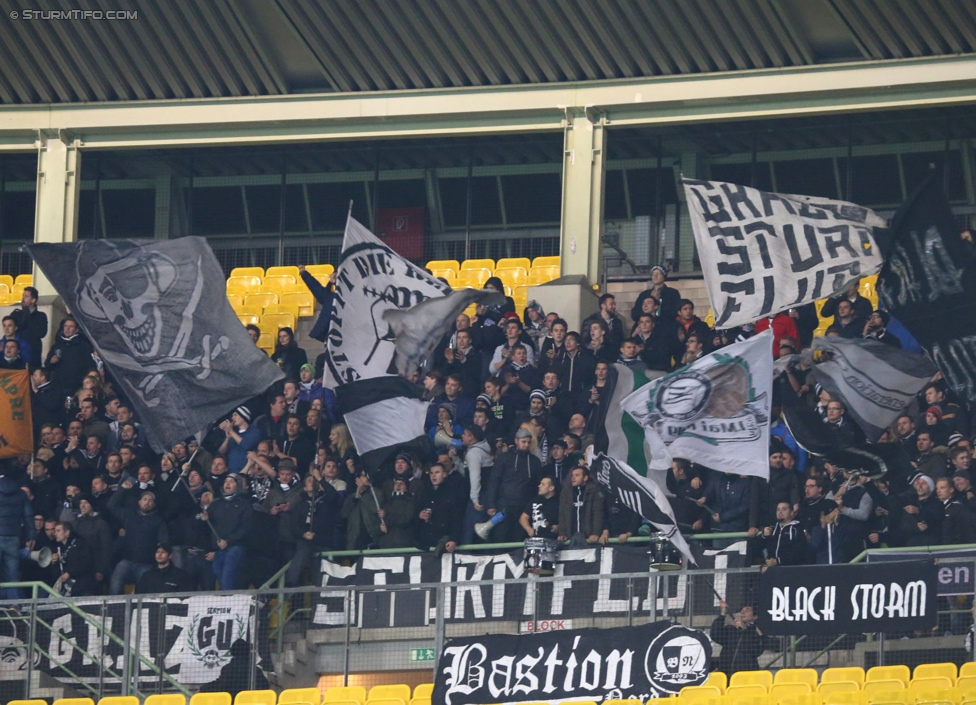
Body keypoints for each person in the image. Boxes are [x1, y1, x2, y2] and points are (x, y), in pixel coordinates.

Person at [486, 428, 543, 542]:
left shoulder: (535, 461)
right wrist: (491, 504)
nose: (526, 445)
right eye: (523, 442)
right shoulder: (504, 458)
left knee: (519, 537)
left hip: (524, 507)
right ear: (516, 440)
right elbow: (494, 481)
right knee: (501, 536)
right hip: (504, 505)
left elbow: (537, 485)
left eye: (528, 442)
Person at [208, 475, 254, 590]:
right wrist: (204, 516)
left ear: (237, 485)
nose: (227, 484)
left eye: (231, 482)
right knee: (217, 571)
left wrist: (228, 541)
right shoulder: (215, 504)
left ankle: (227, 601)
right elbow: (206, 523)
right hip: (219, 548)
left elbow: (245, 528)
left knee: (227, 574)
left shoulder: (244, 504)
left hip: (236, 546)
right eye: (226, 481)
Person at [710, 601, 778, 672]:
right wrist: (723, 613)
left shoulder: (756, 632)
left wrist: (744, 630)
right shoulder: (731, 629)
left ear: (755, 616)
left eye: (747, 610)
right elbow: (715, 635)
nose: (742, 612)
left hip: (747, 674)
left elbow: (758, 650)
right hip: (726, 672)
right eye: (742, 610)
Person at [0, 474, 33, 598]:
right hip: (13, 538)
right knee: (12, 575)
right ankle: (15, 604)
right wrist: (31, 536)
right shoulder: (21, 494)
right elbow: (28, 516)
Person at [44, 317, 95, 395]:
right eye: (65, 326)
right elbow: (47, 366)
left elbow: (90, 366)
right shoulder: (56, 346)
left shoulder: (84, 347)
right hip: (57, 388)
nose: (67, 329)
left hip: (76, 388)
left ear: (76, 330)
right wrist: (51, 362)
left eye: (71, 326)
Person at [557, 465, 604, 545]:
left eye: (577, 475)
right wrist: (562, 533)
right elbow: (562, 514)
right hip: (570, 538)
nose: (573, 478)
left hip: (589, 539)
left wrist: (596, 533)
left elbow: (598, 514)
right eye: (572, 475)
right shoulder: (566, 492)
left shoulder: (594, 491)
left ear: (585, 478)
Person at [53, 521, 100, 596]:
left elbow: (86, 563)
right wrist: (54, 562)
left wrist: (69, 573)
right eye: (55, 531)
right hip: (71, 588)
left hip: (84, 588)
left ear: (67, 533)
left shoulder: (80, 544)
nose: (55, 534)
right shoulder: (59, 549)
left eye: (58, 531)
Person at [11, 286, 48, 369]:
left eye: (26, 296)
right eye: (23, 295)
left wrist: (28, 316)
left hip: (33, 356)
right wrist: (24, 315)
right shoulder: (16, 314)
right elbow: (14, 329)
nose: (23, 299)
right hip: (17, 355)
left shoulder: (41, 316)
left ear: (33, 300)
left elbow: (41, 333)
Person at [762, 502, 806, 566]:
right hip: (773, 569)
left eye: (784, 509)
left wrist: (778, 561)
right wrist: (764, 535)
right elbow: (758, 546)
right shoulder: (772, 529)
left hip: (791, 570)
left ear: (791, 512)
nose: (780, 512)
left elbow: (799, 552)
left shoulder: (797, 529)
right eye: (778, 509)